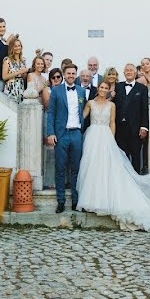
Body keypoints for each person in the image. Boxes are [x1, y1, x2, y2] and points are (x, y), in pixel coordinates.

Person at [46, 65, 86, 213]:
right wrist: (51, 133)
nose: (70, 75)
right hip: (61, 134)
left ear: (75, 75)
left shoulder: (81, 91)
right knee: (60, 168)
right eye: (68, 73)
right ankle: (61, 201)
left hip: (76, 134)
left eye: (73, 73)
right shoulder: (56, 90)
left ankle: (76, 202)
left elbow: (83, 111)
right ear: (64, 74)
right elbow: (51, 113)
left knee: (76, 169)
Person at [111, 64, 149, 174]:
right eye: (126, 70)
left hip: (135, 128)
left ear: (135, 73)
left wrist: (144, 127)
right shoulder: (117, 86)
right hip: (119, 128)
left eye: (131, 70)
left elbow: (144, 109)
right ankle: (124, 181)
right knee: (122, 156)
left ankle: (136, 182)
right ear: (123, 73)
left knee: (136, 155)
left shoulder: (142, 88)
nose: (128, 72)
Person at [3, 37, 28, 104]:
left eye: (19, 46)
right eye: (15, 46)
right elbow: (4, 77)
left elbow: (24, 77)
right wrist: (19, 72)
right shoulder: (7, 60)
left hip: (21, 87)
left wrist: (24, 74)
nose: (18, 48)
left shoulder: (23, 60)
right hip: (11, 87)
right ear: (12, 48)